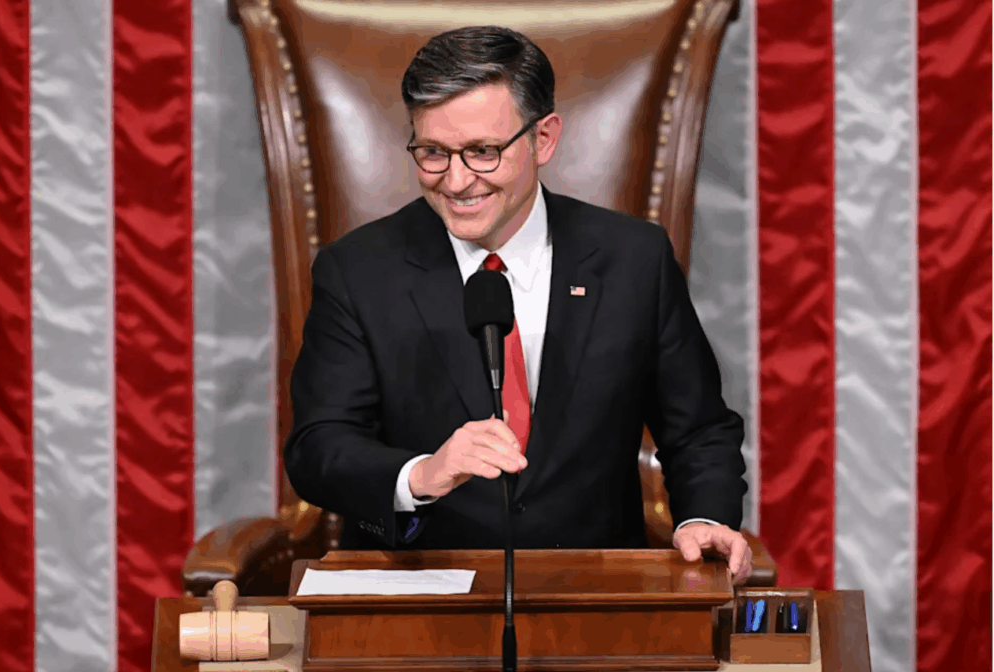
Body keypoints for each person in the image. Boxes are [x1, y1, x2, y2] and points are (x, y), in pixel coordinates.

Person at [283, 25, 753, 583]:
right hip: (420, 592)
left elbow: (698, 430)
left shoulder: (633, 259)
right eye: (433, 153)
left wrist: (703, 519)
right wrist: (422, 474)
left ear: (544, 139)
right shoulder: (358, 270)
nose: (457, 181)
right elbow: (318, 447)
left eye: (482, 152)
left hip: (596, 593)